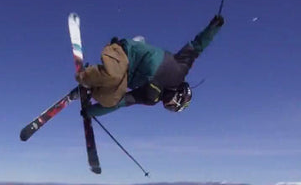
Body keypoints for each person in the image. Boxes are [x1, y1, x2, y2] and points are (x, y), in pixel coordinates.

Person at [75, 15, 225, 117]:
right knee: (114, 75)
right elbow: (198, 46)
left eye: (170, 108)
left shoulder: (151, 98)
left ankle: (91, 88)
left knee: (111, 99)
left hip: (125, 75)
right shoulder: (179, 69)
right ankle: (85, 77)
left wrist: (90, 112)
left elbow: (120, 103)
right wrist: (214, 27)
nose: (166, 105)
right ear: (179, 94)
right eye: (172, 104)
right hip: (125, 52)